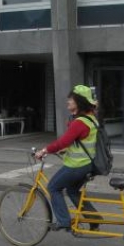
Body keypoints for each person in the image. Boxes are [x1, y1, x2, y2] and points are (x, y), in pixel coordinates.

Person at [36, 85, 102, 232]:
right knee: (72, 190)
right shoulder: (91, 119)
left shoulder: (80, 122)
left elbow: (62, 142)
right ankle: (93, 218)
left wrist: (44, 150)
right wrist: (65, 150)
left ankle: (64, 221)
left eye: (71, 100)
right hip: (87, 164)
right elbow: (81, 142)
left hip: (76, 166)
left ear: (78, 102)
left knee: (53, 187)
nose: (68, 102)